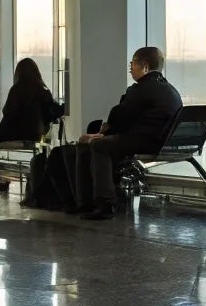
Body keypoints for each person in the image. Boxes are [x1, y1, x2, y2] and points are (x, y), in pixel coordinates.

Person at [60, 46, 181, 221]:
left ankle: (103, 203)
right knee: (102, 144)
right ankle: (101, 198)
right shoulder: (170, 90)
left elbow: (121, 118)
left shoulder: (140, 89)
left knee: (98, 146)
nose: (130, 68)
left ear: (144, 66)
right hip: (162, 140)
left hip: (146, 142)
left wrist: (101, 135)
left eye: (132, 64)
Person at [0, 58, 61, 199]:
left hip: (12, 131)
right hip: (33, 134)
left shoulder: (18, 89)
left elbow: (8, 112)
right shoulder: (44, 91)